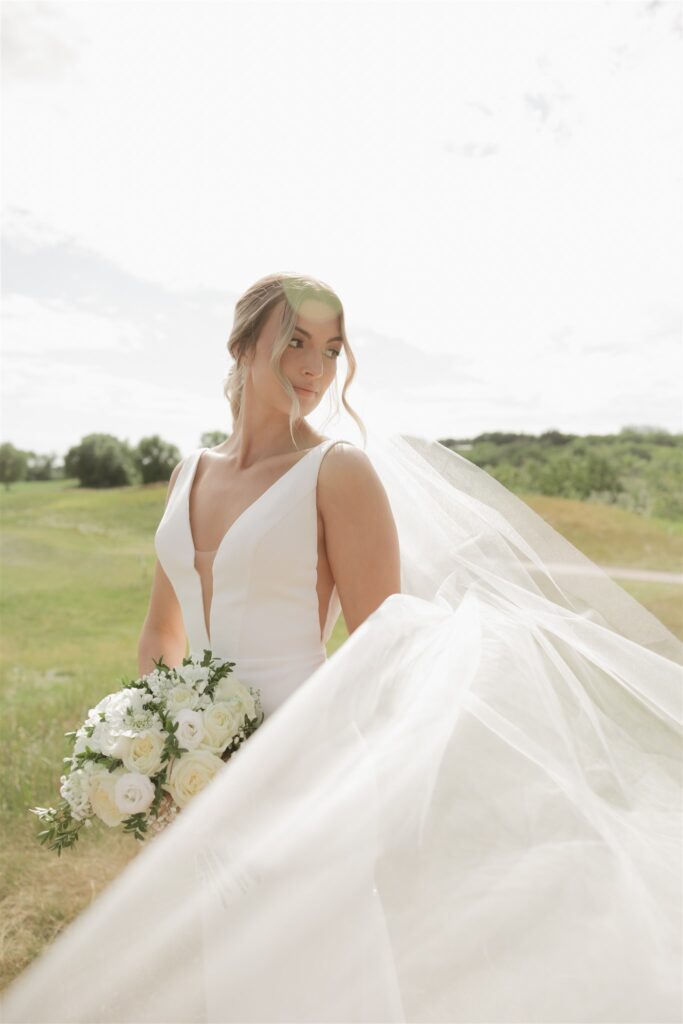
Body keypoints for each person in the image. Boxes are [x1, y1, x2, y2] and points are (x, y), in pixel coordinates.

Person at [2, 272, 681, 1024]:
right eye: (294, 341)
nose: (314, 367)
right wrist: (159, 755)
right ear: (240, 346)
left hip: (305, 768)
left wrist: (330, 778)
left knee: (314, 977)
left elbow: (385, 648)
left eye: (330, 349)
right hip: (198, 781)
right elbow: (160, 635)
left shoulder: (338, 472)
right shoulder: (186, 472)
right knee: (231, 978)